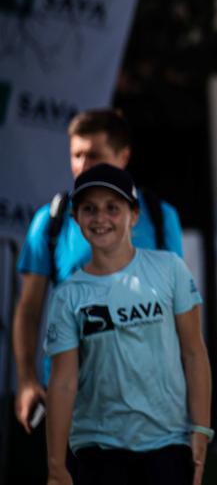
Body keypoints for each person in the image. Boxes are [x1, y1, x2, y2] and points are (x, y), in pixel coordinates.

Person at [12, 109, 184, 485]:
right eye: (76, 155)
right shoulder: (52, 219)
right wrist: (26, 380)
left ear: (123, 158)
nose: (83, 165)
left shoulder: (158, 215)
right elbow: (28, 310)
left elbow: (179, 308)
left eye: (95, 155)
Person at [44, 164, 210, 485]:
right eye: (89, 209)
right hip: (98, 450)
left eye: (113, 208)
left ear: (134, 216)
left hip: (168, 444)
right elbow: (63, 382)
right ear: (76, 220)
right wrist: (55, 465)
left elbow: (194, 353)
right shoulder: (68, 296)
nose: (100, 217)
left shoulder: (170, 270)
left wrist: (201, 428)